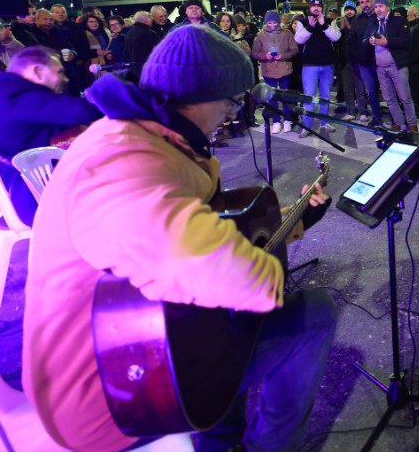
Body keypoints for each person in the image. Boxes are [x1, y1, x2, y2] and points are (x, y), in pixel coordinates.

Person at [22, 26, 337, 452]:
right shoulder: (120, 160)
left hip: (155, 346)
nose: (231, 113)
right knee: (312, 313)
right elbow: (218, 269)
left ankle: (221, 439)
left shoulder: (153, 136)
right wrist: (269, 275)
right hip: (116, 390)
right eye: (230, 102)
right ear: (202, 98)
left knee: (232, 322)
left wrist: (297, 221)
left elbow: (207, 228)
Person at [0, 45, 103, 223]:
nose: (64, 79)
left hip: (13, 195)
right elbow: (84, 110)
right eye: (59, 72)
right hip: (34, 201)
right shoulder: (18, 97)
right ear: (37, 71)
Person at [364, 0, 417, 132]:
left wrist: (387, 42)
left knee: (405, 97)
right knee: (389, 98)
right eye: (376, 7)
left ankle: (412, 124)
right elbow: (365, 38)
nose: (378, 9)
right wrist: (369, 41)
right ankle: (398, 122)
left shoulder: (398, 20)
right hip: (381, 68)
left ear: (388, 7)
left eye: (380, 6)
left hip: (396, 66)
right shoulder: (373, 22)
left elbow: (406, 41)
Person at [293, 0, 341, 134]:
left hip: (327, 65)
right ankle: (307, 126)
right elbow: (299, 39)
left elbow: (336, 36)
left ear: (322, 8)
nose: (316, 8)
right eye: (313, 6)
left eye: (319, 6)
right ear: (310, 7)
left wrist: (323, 25)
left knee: (325, 96)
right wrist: (311, 27)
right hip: (309, 67)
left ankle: (324, 122)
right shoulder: (302, 22)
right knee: (309, 97)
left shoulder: (329, 21)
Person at [252, 10, 299, 134]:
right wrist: (265, 56)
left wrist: (282, 56)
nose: (272, 25)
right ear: (266, 23)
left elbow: (294, 50)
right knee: (271, 97)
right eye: (269, 23)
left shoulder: (287, 34)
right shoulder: (260, 36)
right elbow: (255, 53)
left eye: (274, 22)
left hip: (284, 69)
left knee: (285, 96)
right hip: (268, 70)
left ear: (278, 22)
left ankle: (287, 120)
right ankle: (276, 121)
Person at [348, 0, 385, 125]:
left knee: (388, 92)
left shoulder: (381, 17)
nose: (365, 5)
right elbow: (350, 42)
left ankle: (395, 118)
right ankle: (377, 118)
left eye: (367, 1)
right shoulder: (357, 21)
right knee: (371, 93)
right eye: (362, 2)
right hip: (365, 63)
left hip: (382, 62)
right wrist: (358, 57)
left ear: (373, 2)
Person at [336, 1, 362, 120]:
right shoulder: (339, 23)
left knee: (360, 89)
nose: (349, 12)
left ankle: (363, 113)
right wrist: (341, 29)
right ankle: (351, 112)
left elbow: (360, 37)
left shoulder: (359, 21)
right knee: (347, 89)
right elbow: (336, 42)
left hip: (357, 61)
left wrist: (349, 27)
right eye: (347, 9)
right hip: (345, 61)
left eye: (351, 9)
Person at [123, 10, 161, 83]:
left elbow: (126, 53)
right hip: (149, 72)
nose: (152, 21)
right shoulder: (149, 33)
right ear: (147, 20)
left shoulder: (129, 33)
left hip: (134, 73)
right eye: (151, 19)